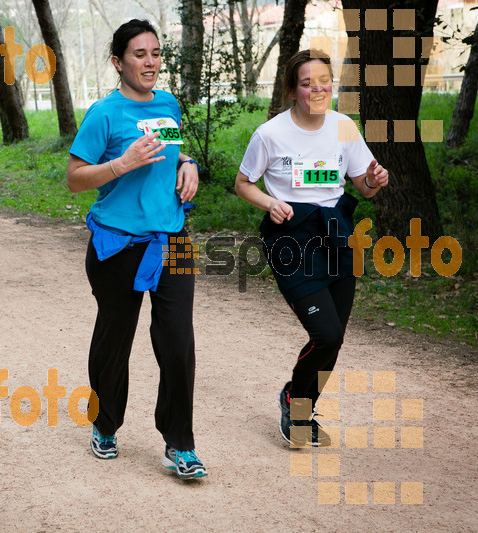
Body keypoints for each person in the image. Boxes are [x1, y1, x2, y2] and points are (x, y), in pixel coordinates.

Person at [67, 19, 206, 480]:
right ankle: (105, 425)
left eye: (155, 54)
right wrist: (121, 163)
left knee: (178, 342)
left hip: (172, 240)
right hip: (117, 245)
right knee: (115, 337)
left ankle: (180, 443)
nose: (150, 63)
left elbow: (171, 153)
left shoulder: (169, 103)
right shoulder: (103, 114)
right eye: (139, 55)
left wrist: (189, 164)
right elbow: (75, 178)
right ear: (118, 62)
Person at [234, 49, 389, 447]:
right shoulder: (270, 134)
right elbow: (243, 183)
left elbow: (363, 188)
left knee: (334, 338)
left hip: (337, 235)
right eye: (307, 83)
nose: (317, 89)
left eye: (324, 81)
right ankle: (294, 398)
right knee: (325, 332)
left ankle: (301, 407)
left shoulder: (343, 127)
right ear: (292, 90)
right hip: (291, 240)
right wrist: (271, 202)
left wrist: (375, 179)